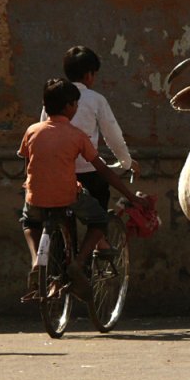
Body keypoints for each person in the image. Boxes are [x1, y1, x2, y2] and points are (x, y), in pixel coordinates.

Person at [19, 78, 148, 302]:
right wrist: (129, 196)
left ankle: (36, 261)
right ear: (69, 106)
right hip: (67, 196)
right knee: (99, 220)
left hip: (35, 197)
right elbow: (103, 170)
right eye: (76, 105)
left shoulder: (31, 131)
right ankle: (78, 263)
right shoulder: (77, 136)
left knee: (29, 222)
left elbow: (28, 165)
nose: (77, 108)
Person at [42, 46, 139, 211]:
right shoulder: (96, 100)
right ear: (89, 74)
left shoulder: (52, 98)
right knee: (99, 216)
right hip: (89, 172)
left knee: (62, 218)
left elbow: (44, 131)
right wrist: (127, 162)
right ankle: (98, 236)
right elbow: (113, 136)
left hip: (58, 172)